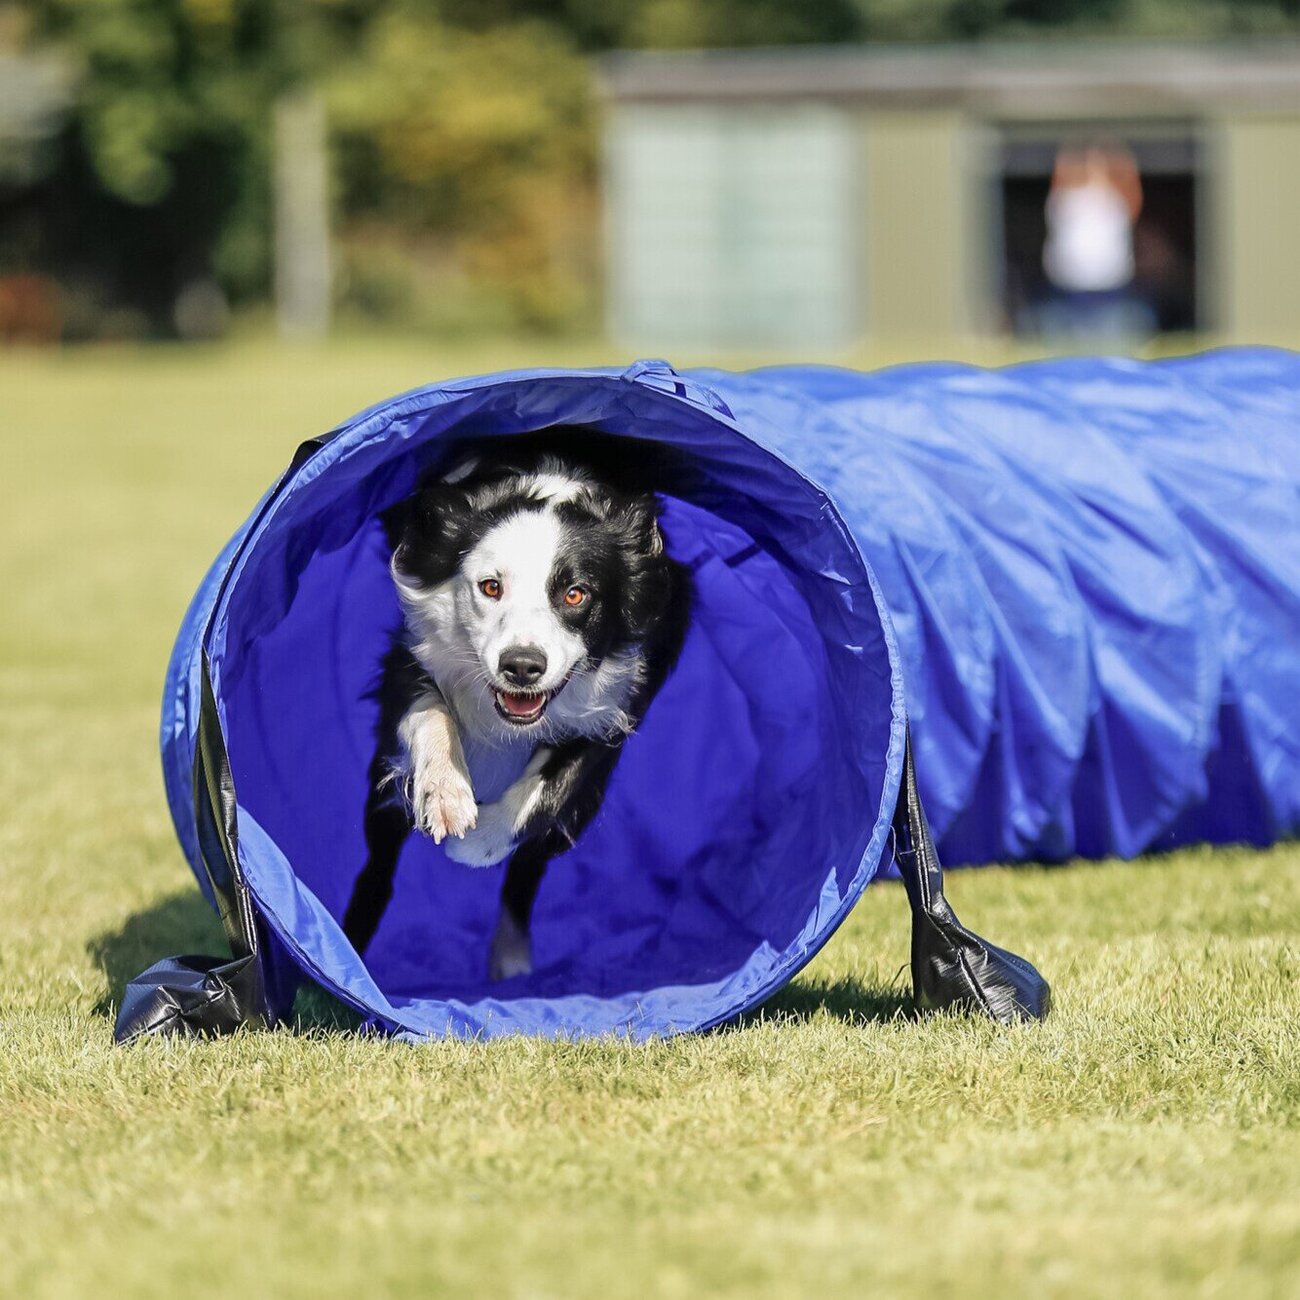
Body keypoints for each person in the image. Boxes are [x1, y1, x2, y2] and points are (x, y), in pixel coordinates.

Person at [1037, 143, 1156, 340]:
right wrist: (1070, 159)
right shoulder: (1067, 196)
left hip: (1109, 279)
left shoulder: (1116, 198)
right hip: (1070, 279)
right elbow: (1060, 179)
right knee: (1070, 338)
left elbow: (1134, 194)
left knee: (1109, 336)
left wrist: (1120, 164)